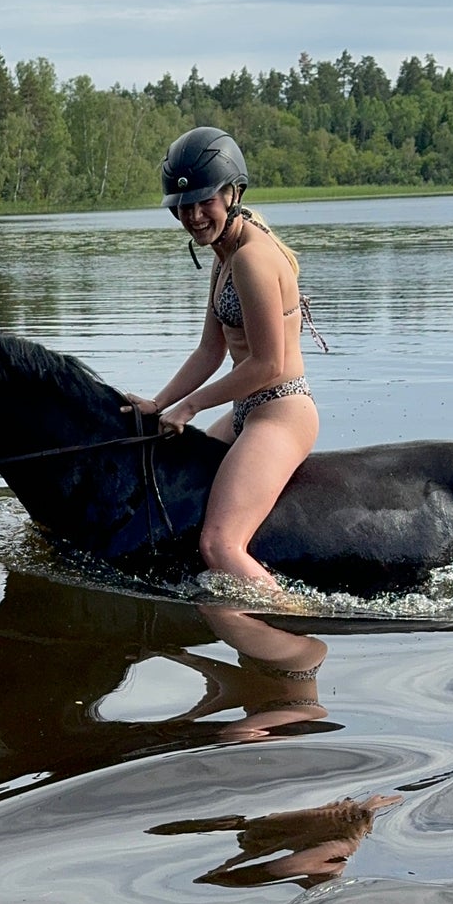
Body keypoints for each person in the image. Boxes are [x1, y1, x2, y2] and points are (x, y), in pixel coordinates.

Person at [126, 127, 325, 598]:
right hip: (247, 413)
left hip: (280, 412)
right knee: (177, 484)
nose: (194, 216)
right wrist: (158, 404)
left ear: (233, 193)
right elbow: (209, 352)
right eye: (183, 207)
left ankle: (291, 619)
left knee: (219, 544)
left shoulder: (253, 259)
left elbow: (268, 364)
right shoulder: (225, 253)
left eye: (204, 202)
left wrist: (190, 407)